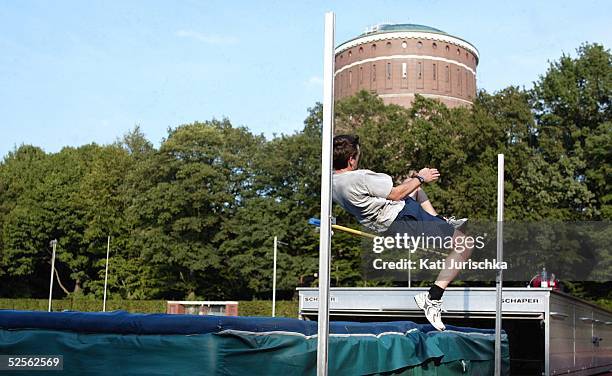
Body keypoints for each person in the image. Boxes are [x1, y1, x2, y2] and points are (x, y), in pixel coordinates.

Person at [331, 134, 472, 331]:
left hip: (387, 221)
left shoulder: (332, 183)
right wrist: (422, 177)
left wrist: (415, 181)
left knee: (412, 185)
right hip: (403, 218)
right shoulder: (358, 178)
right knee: (465, 244)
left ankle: (441, 221)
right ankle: (433, 297)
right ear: (351, 159)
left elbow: (400, 192)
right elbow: (397, 194)